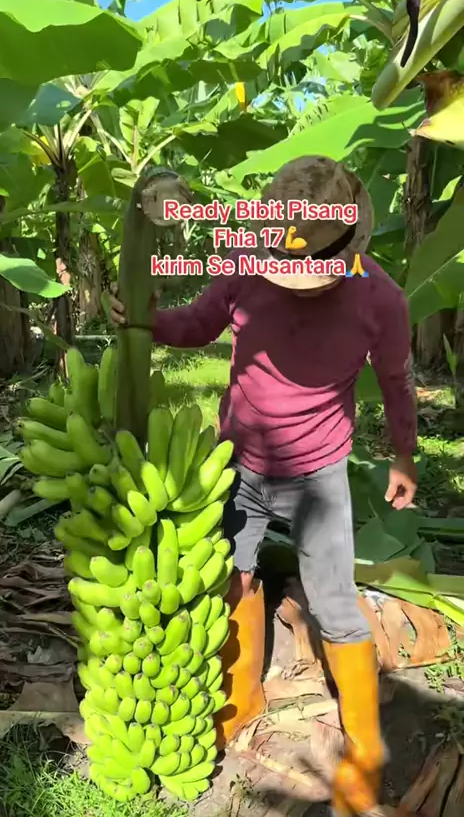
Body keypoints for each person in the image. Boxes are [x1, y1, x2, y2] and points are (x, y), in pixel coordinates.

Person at [109, 156, 418, 816]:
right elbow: (200, 323)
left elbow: (395, 379)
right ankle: (242, 696)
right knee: (235, 577)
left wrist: (404, 455)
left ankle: (365, 745)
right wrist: (146, 321)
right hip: (240, 461)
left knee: (334, 604)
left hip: (320, 472)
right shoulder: (248, 265)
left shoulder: (379, 297)